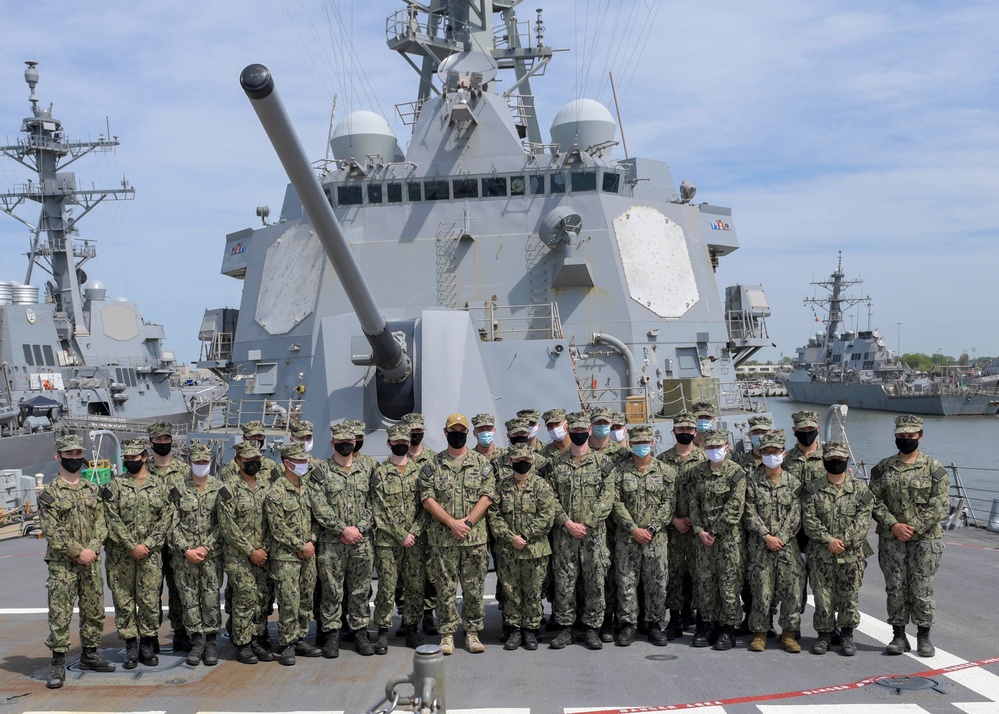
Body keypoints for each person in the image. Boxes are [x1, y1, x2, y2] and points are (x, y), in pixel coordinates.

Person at [38, 434, 115, 689]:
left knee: (94, 610)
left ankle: (89, 654)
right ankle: (58, 662)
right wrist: (78, 552)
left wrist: (92, 548)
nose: (74, 458)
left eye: (77, 454)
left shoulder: (92, 489)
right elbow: (52, 529)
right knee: (60, 613)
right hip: (63, 564)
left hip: (90, 561)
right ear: (58, 457)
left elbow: (102, 521)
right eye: (68, 454)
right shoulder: (49, 493)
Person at [869, 414, 949, 657]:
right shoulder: (882, 469)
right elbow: (873, 501)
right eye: (901, 436)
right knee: (895, 587)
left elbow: (940, 504)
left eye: (910, 436)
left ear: (920, 437)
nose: (906, 440)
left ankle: (924, 636)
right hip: (892, 539)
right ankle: (899, 636)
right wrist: (894, 525)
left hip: (924, 540)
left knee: (922, 587)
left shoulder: (934, 469)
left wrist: (911, 526)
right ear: (895, 437)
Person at [420, 413, 495, 655]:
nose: (458, 434)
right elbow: (427, 499)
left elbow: (487, 497)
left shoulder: (482, 463)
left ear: (467, 433)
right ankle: (447, 634)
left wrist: (468, 523)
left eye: (462, 431)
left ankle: (472, 633)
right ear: (445, 433)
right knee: (445, 588)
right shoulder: (432, 465)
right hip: (444, 541)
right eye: (453, 430)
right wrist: (452, 523)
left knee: (474, 588)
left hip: (474, 540)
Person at [541, 411, 614, 651]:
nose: (579, 435)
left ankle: (591, 628)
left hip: (593, 535)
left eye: (583, 431)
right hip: (565, 535)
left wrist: (588, 523)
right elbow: (549, 498)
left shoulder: (604, 464)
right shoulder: (554, 464)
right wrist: (567, 523)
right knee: (565, 581)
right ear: (570, 432)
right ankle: (565, 628)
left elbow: (607, 498)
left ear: (589, 432)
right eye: (575, 431)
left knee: (594, 581)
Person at [802, 441, 876, 656]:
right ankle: (824, 635)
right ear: (824, 461)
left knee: (849, 596)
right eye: (832, 460)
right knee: (822, 596)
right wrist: (828, 540)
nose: (836, 463)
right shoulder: (812, 490)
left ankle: (847, 635)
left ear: (847, 461)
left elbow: (862, 522)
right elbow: (809, 520)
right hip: (821, 554)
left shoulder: (860, 489)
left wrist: (841, 541)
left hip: (851, 555)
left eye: (840, 460)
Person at [102, 437, 171, 669]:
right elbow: (111, 519)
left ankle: (148, 645)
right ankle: (131, 645)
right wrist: (131, 545)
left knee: (150, 600)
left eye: (134, 457)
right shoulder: (114, 486)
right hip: (121, 555)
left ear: (144, 457)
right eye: (127, 459)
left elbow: (166, 518)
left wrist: (147, 545)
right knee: (124, 600)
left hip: (150, 555)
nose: (131, 461)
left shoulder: (159, 486)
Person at [309, 422, 376, 657]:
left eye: (349, 442)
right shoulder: (320, 473)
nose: (346, 446)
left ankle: (360, 633)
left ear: (355, 443)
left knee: (360, 590)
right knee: (331, 590)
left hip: (361, 541)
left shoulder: (367, 470)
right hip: (332, 543)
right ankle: (331, 635)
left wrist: (359, 528)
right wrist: (342, 529)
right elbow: (319, 506)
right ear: (332, 443)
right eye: (340, 443)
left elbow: (374, 504)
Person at [611, 425, 676, 647]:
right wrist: (632, 528)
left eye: (645, 443)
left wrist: (651, 529)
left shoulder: (665, 472)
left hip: (655, 540)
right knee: (626, 582)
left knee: (657, 583)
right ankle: (628, 625)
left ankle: (654, 624)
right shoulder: (618, 471)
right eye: (636, 443)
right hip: (627, 538)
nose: (641, 447)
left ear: (652, 443)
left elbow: (669, 503)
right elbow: (615, 502)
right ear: (630, 444)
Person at [488, 444, 558, 651]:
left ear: (532, 461)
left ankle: (531, 629)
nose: (522, 464)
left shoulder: (541, 486)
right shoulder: (501, 487)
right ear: (510, 462)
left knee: (533, 591)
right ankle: (514, 629)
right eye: (517, 460)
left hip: (535, 550)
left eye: (526, 460)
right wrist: (511, 538)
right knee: (511, 591)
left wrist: (525, 536)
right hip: (508, 550)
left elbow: (547, 515)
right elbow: (494, 515)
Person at [742, 431, 804, 653]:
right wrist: (766, 536)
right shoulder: (751, 482)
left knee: (792, 591)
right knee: (761, 590)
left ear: (783, 454)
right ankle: (759, 633)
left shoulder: (794, 483)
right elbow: (748, 513)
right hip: (760, 546)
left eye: (775, 452)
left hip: (787, 547)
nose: (771, 456)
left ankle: (788, 635)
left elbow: (796, 515)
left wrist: (782, 538)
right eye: (766, 452)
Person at [217, 441, 275, 664]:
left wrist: (265, 549)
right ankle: (242, 643)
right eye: (248, 461)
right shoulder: (228, 489)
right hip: (239, 557)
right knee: (244, 598)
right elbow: (228, 527)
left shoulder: (268, 486)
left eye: (256, 461)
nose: (252, 464)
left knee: (262, 597)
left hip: (264, 554)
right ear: (238, 461)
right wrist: (251, 551)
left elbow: (273, 521)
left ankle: (257, 639)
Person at [689, 429, 746, 651]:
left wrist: (713, 531)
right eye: (710, 447)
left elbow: (735, 507)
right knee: (706, 584)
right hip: (703, 540)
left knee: (729, 584)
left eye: (718, 447)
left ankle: (728, 628)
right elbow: (694, 504)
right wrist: (700, 530)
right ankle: (709, 625)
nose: (714, 451)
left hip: (727, 540)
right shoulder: (698, 472)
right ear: (704, 448)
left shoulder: (736, 473)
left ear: (727, 447)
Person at [371, 424, 427, 650]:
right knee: (387, 585)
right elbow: (379, 510)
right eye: (397, 443)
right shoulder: (380, 473)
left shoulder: (420, 472)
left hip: (414, 541)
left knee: (414, 585)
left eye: (405, 442)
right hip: (387, 541)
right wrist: (401, 534)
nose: (401, 445)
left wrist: (413, 532)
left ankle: (412, 627)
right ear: (389, 444)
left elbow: (427, 505)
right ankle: (383, 630)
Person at [168, 443, 224, 666]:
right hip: (185, 558)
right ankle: (196, 642)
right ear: (190, 463)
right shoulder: (177, 488)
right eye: (197, 462)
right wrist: (185, 550)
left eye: (205, 462)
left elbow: (223, 523)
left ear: (210, 463)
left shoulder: (221, 488)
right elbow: (171, 524)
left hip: (210, 556)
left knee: (210, 599)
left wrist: (206, 547)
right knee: (189, 600)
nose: (201, 466)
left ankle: (211, 643)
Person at [266, 442, 321, 666]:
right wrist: (301, 545)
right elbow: (277, 527)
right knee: (289, 600)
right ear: (287, 463)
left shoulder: (308, 488)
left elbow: (317, 518)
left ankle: (300, 637)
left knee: (306, 598)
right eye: (299, 461)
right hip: (286, 556)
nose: (304, 464)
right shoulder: (275, 492)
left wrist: (312, 541)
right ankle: (287, 643)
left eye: (304, 460)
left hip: (308, 553)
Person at [657, 411, 706, 640]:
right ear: (674, 431)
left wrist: (697, 524)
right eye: (680, 429)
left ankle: (701, 619)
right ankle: (674, 619)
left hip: (698, 530)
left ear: (695, 432)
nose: (684, 432)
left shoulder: (705, 460)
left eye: (689, 429)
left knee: (700, 573)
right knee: (674, 574)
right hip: (673, 527)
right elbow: (657, 498)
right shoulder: (661, 460)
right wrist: (673, 520)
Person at [145, 420, 191, 652]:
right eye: (158, 439)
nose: (163, 443)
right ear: (150, 442)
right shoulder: (143, 471)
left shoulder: (183, 470)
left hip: (177, 541)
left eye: (166, 439)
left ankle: (180, 631)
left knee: (178, 587)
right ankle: (150, 635)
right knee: (151, 589)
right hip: (152, 543)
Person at [403, 411, 439, 637]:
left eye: (418, 432)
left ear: (423, 432)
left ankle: (428, 615)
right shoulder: (397, 459)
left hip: (429, 529)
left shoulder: (434, 459)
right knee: (405, 577)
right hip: (404, 531)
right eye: (411, 433)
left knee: (430, 574)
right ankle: (407, 617)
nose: (415, 436)